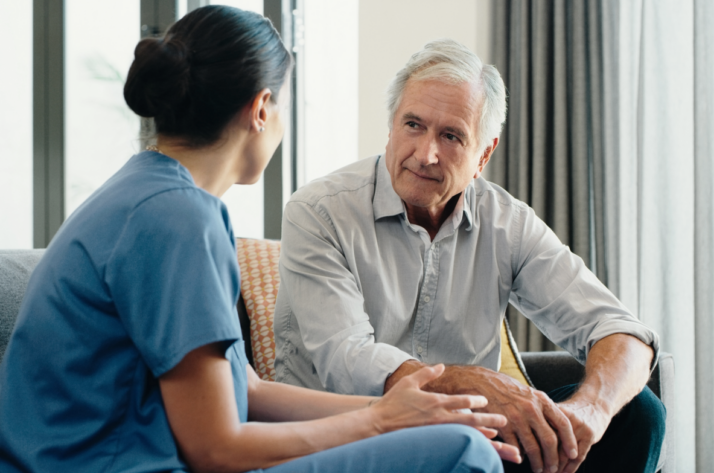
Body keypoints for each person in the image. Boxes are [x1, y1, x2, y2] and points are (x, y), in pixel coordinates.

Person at [0, 8, 520, 473]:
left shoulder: (152, 194)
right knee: (464, 452)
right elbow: (217, 449)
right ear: (262, 108)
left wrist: (400, 411)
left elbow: (246, 390)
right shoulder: (178, 218)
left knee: (446, 435)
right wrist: (382, 424)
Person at [274, 38, 666, 473]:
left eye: (451, 136)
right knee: (464, 445)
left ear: (484, 154)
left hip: (474, 443)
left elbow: (620, 331)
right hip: (351, 437)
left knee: (638, 414)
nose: (426, 155)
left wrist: (590, 411)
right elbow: (344, 358)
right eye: (413, 126)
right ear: (390, 127)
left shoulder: (507, 223)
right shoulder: (317, 212)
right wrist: (467, 382)